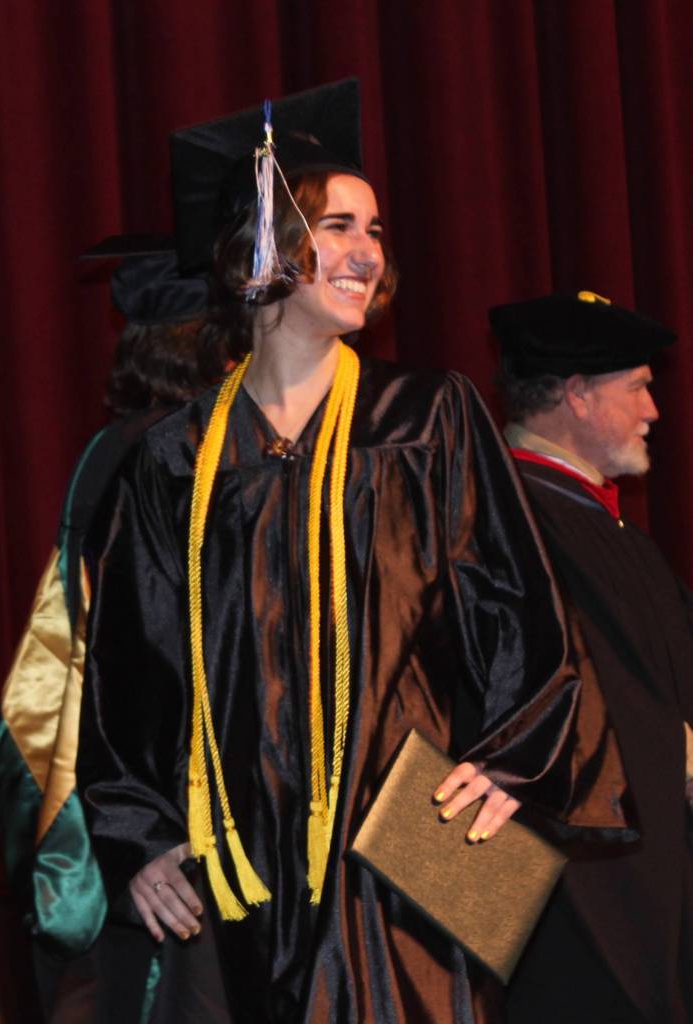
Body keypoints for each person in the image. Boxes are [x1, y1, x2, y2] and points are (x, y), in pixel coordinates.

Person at [77, 82, 632, 1024]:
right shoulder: (175, 458)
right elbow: (131, 671)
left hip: (403, 855)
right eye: (337, 226)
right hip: (243, 868)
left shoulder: (425, 419)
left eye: (374, 231)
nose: (368, 252)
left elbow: (522, 605)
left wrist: (515, 760)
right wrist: (140, 838)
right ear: (260, 245)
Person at [0, 247, 213, 1021]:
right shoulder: (171, 457)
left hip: (117, 811)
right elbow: (147, 660)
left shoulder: (114, 445)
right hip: (159, 821)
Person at [490, 290, 693, 1023]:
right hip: (567, 897)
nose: (653, 411)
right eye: (637, 388)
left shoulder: (601, 526)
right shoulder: (506, 519)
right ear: (576, 395)